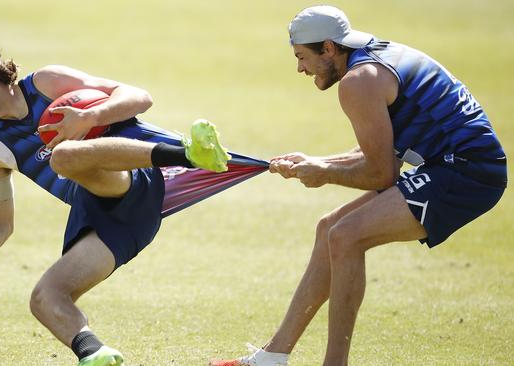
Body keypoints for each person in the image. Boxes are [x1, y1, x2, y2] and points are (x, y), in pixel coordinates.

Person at [210, 5, 507, 366]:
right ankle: (271, 357)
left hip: (467, 173)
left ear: (329, 49)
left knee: (346, 235)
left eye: (303, 57)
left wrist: (323, 173)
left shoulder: (358, 82)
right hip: (448, 165)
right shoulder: (373, 57)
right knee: (328, 229)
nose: (300, 68)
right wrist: (316, 162)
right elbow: (379, 153)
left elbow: (383, 174)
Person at [0, 44, 231, 366]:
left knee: (62, 157)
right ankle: (95, 355)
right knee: (45, 298)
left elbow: (139, 97)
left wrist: (92, 116)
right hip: (111, 221)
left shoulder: (47, 83)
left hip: (134, 179)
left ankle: (190, 155)